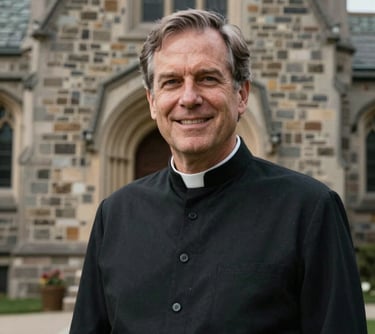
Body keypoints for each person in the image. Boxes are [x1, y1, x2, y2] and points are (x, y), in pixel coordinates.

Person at [70, 9, 367, 334]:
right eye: (171, 82)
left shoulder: (310, 210)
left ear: (241, 95)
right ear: (152, 102)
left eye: (207, 78)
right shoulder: (115, 214)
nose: (189, 98)